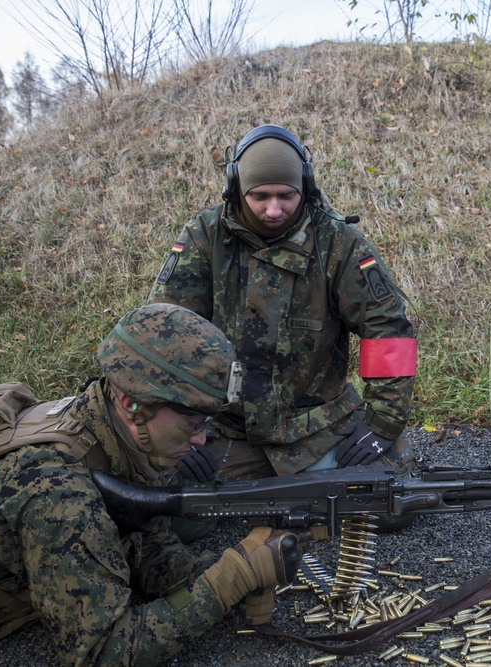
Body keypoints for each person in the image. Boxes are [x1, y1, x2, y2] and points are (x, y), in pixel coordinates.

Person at [0, 304, 307, 666]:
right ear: (133, 403)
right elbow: (103, 652)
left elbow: (145, 545)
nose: (203, 437)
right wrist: (228, 582)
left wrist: (226, 570)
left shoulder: (113, 428)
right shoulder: (58, 493)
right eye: (192, 419)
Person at [148, 124, 418, 498]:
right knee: (164, 504)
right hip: (225, 427)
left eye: (286, 196)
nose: (273, 210)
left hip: (317, 426)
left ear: (304, 187)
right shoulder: (204, 236)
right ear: (236, 187)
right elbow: (162, 335)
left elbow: (388, 329)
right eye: (259, 196)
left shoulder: (338, 241)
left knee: (394, 488)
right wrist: (176, 431)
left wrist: (383, 423)